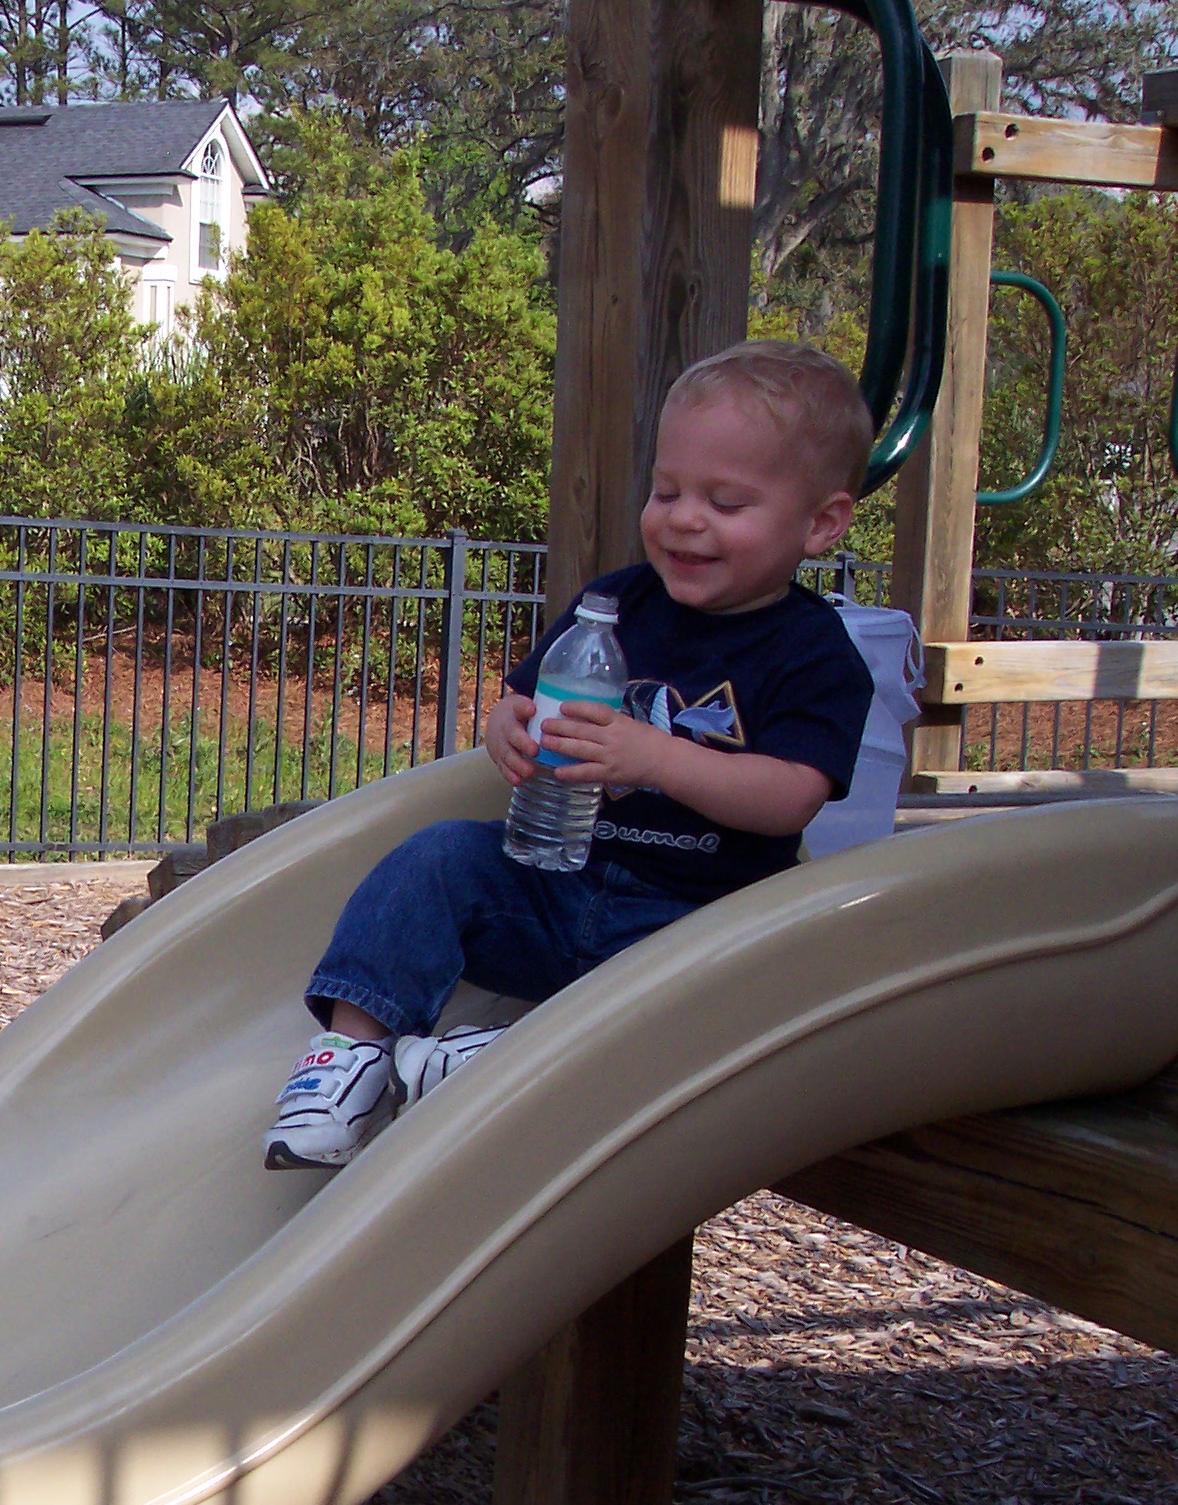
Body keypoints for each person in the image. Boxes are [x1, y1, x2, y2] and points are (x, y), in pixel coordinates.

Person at [263, 340, 880, 1170]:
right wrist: (507, 728)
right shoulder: (615, 605)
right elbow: (523, 703)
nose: (683, 518)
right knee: (437, 858)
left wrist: (655, 759)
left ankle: (504, 1057)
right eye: (667, 491)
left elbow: (792, 796)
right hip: (559, 882)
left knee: (713, 1004)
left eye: (727, 502)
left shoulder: (814, 652)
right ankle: (354, 1058)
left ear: (822, 523)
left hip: (690, 919)